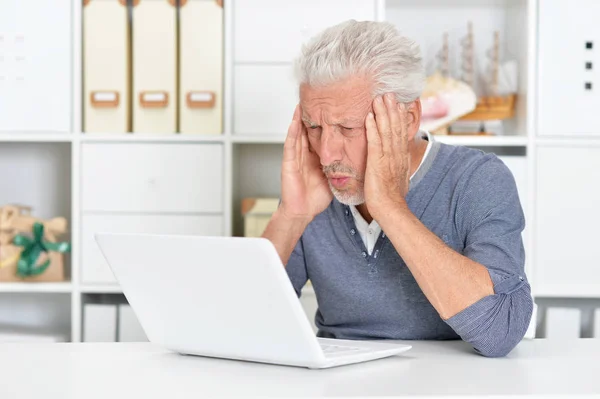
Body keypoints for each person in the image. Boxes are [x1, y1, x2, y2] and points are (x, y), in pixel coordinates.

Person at [261, 20, 533, 357]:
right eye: (313, 127)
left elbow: (500, 332)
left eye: (347, 127)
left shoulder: (478, 179)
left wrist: (389, 206)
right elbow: (239, 327)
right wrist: (291, 215)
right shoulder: (314, 184)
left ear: (407, 120)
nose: (326, 152)